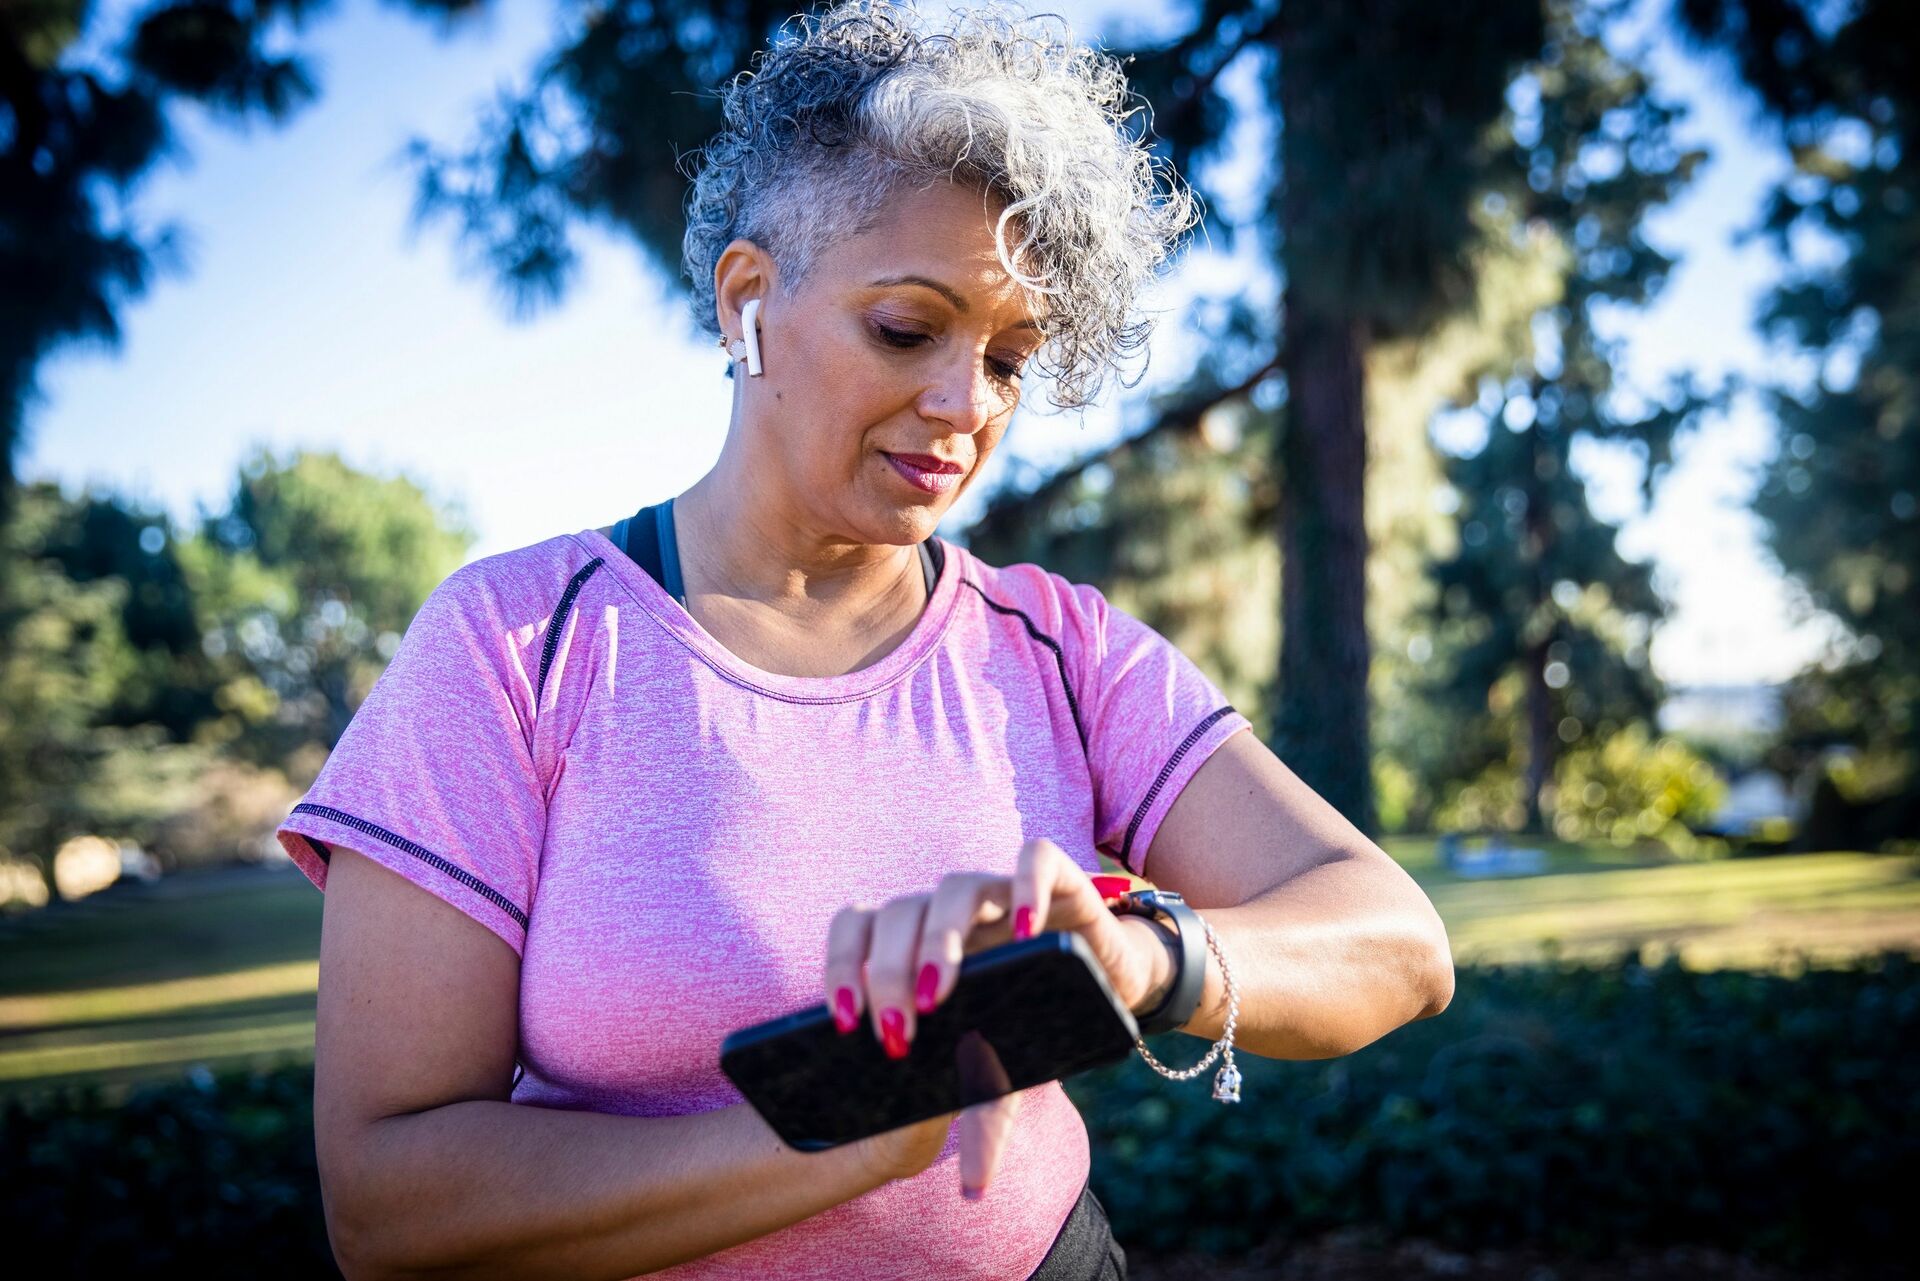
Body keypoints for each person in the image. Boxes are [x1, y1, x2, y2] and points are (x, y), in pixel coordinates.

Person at [276, 3, 1456, 1279]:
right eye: (907, 329)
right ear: (748, 303)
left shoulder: (1057, 649)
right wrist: (843, 1134)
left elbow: (1395, 943)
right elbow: (389, 1206)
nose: (965, 407)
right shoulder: (518, 646)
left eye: (1010, 358)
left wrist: (1138, 955)